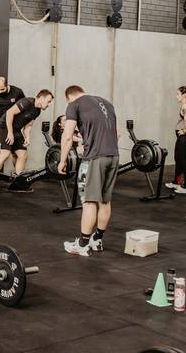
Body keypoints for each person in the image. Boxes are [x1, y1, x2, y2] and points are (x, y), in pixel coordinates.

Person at [58, 85, 119, 256]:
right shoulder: (107, 103)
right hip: (113, 155)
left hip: (95, 158)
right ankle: (97, 239)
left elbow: (67, 136)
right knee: (105, 201)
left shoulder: (74, 104)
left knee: (89, 201)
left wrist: (62, 160)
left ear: (69, 97)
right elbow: (117, 133)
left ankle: (83, 244)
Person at [0, 89, 54, 196]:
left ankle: (18, 183)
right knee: (5, 153)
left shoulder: (37, 111)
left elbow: (28, 126)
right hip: (4, 127)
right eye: (48, 101)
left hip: (16, 130)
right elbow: (10, 113)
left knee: (23, 154)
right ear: (41, 98)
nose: (48, 105)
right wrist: (10, 132)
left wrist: (27, 137)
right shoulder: (26, 102)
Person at [165, 85, 186, 194]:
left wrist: (185, 130)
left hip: (184, 138)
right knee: (178, 159)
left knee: (183, 161)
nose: (176, 96)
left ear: (184, 95)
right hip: (182, 137)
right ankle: (176, 182)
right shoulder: (185, 104)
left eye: (178, 94)